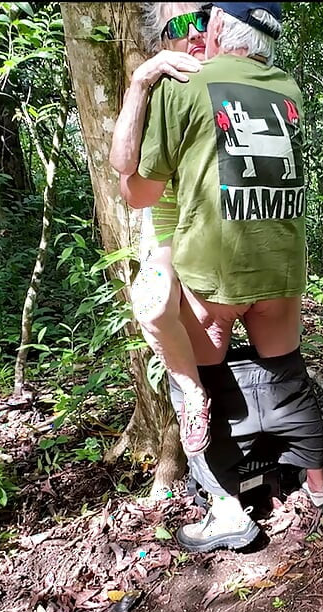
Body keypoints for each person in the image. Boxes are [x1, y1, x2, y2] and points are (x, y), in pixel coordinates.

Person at [118, 1, 323, 552]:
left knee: (202, 386)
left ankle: (228, 511)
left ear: (215, 28)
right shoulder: (289, 89)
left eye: (199, 23)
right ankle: (319, 486)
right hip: (281, 266)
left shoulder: (181, 87)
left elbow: (139, 192)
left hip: (213, 275)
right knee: (288, 373)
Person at [109, 3, 212, 456]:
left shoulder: (233, 79)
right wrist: (139, 82)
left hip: (228, 233)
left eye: (202, 23)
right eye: (180, 26)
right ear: (162, 41)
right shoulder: (158, 91)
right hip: (172, 236)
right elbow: (123, 168)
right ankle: (193, 394)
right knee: (151, 306)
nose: (194, 34)